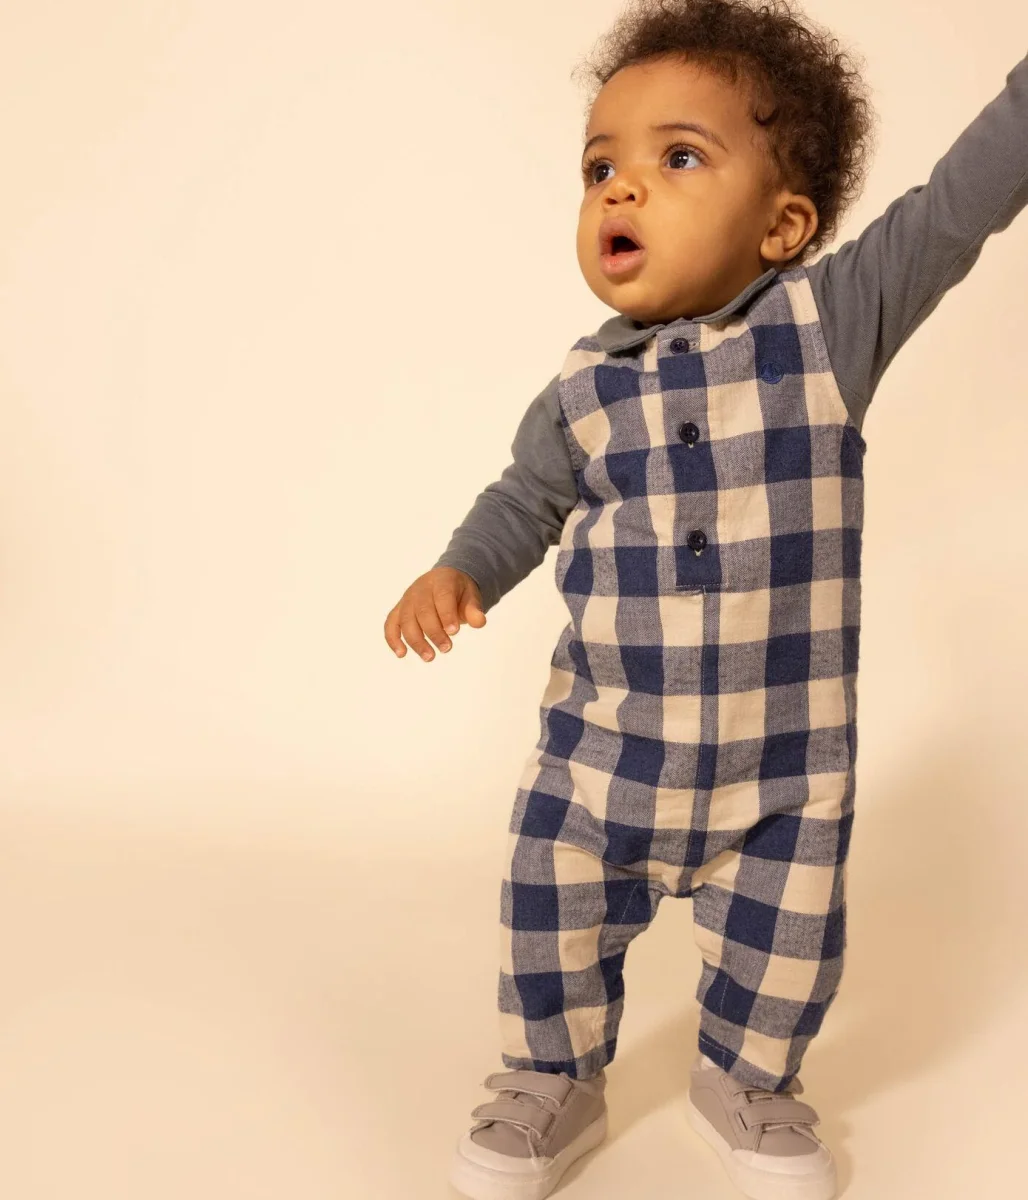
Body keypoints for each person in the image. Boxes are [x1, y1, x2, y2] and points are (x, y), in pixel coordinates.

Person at [383, 2, 1028, 1197]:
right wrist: (459, 570)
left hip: (775, 774)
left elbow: (955, 208)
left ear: (782, 225)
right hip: (600, 759)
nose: (622, 187)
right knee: (549, 917)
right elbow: (523, 500)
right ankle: (551, 1075)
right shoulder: (579, 390)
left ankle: (746, 1080)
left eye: (677, 156)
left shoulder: (826, 330)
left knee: (783, 949)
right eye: (599, 167)